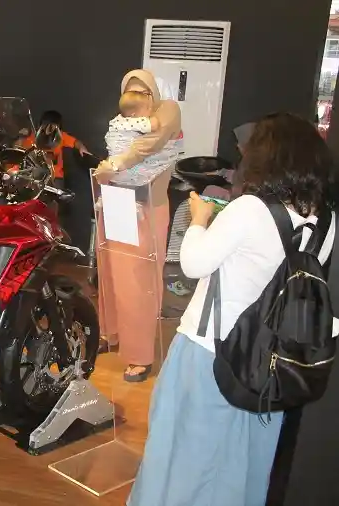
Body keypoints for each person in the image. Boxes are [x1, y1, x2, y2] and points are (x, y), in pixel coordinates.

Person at [128, 113, 337, 506]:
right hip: (272, 363)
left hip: (210, 350)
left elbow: (193, 264)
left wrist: (199, 219)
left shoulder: (250, 209)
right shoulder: (327, 223)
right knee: (244, 462)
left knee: (182, 456)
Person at [95, 70, 182, 382]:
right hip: (115, 202)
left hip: (146, 209)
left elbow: (150, 145)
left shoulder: (167, 110)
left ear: (153, 92)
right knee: (110, 276)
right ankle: (111, 333)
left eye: (142, 91)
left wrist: (116, 164)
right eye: (129, 91)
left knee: (138, 283)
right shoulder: (122, 121)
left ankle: (139, 355)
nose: (136, 97)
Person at [38, 110, 91, 188]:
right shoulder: (35, 136)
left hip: (56, 177)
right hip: (38, 175)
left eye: (54, 126)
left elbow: (76, 142)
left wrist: (81, 147)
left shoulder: (61, 136)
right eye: (48, 125)